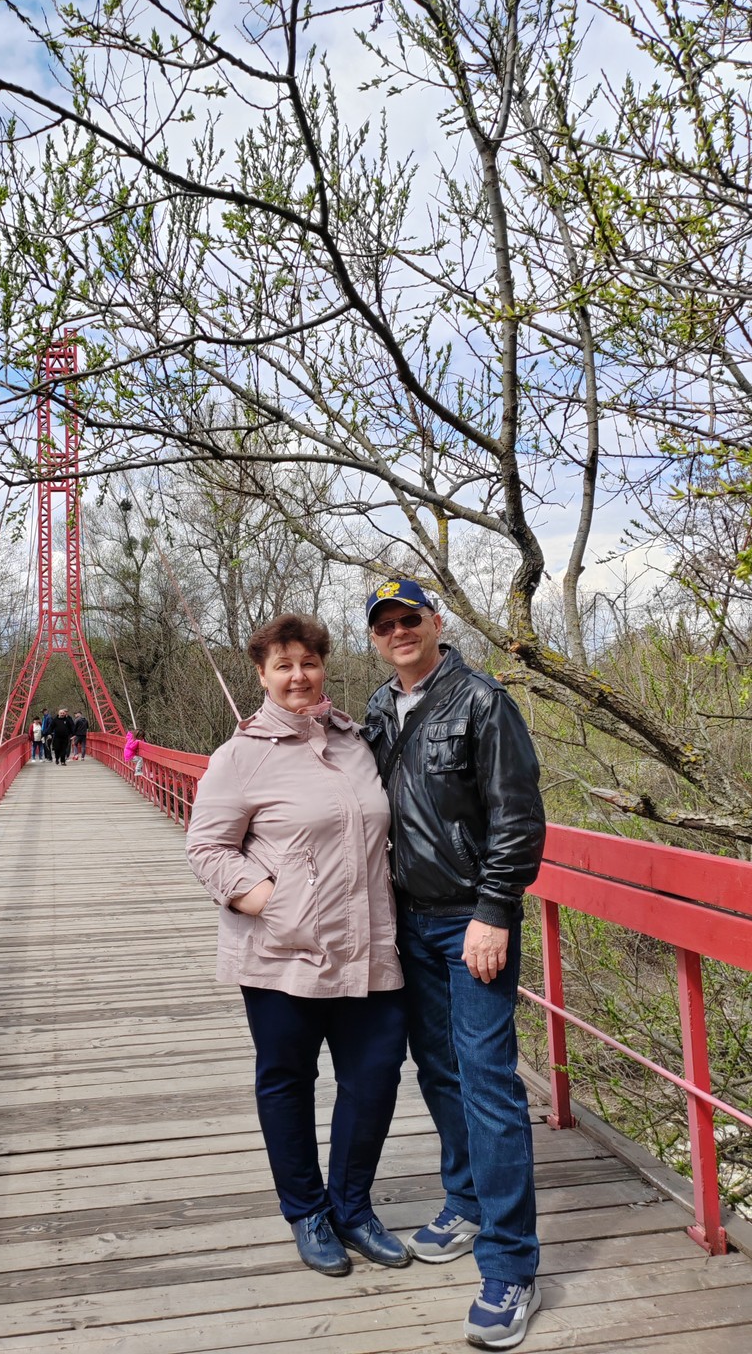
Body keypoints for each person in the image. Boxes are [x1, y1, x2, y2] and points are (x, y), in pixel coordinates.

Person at [187, 614, 410, 1278]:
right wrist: (270, 901)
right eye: (282, 666)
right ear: (261, 675)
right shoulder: (241, 755)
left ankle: (353, 1207)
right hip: (282, 952)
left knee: (372, 1081)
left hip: (369, 946)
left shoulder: (358, 743)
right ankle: (307, 1212)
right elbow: (206, 848)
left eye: (308, 663)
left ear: (323, 668)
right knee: (287, 1082)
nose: (297, 676)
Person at [362, 578, 546, 1351]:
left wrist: (495, 909)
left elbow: (518, 815)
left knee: (489, 1081)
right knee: (436, 1070)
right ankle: (465, 1200)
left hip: (470, 924)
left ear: (437, 622)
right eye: (386, 625)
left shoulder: (481, 702)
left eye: (412, 618)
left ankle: (511, 1266)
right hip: (406, 921)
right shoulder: (377, 709)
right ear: (374, 638)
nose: (401, 632)